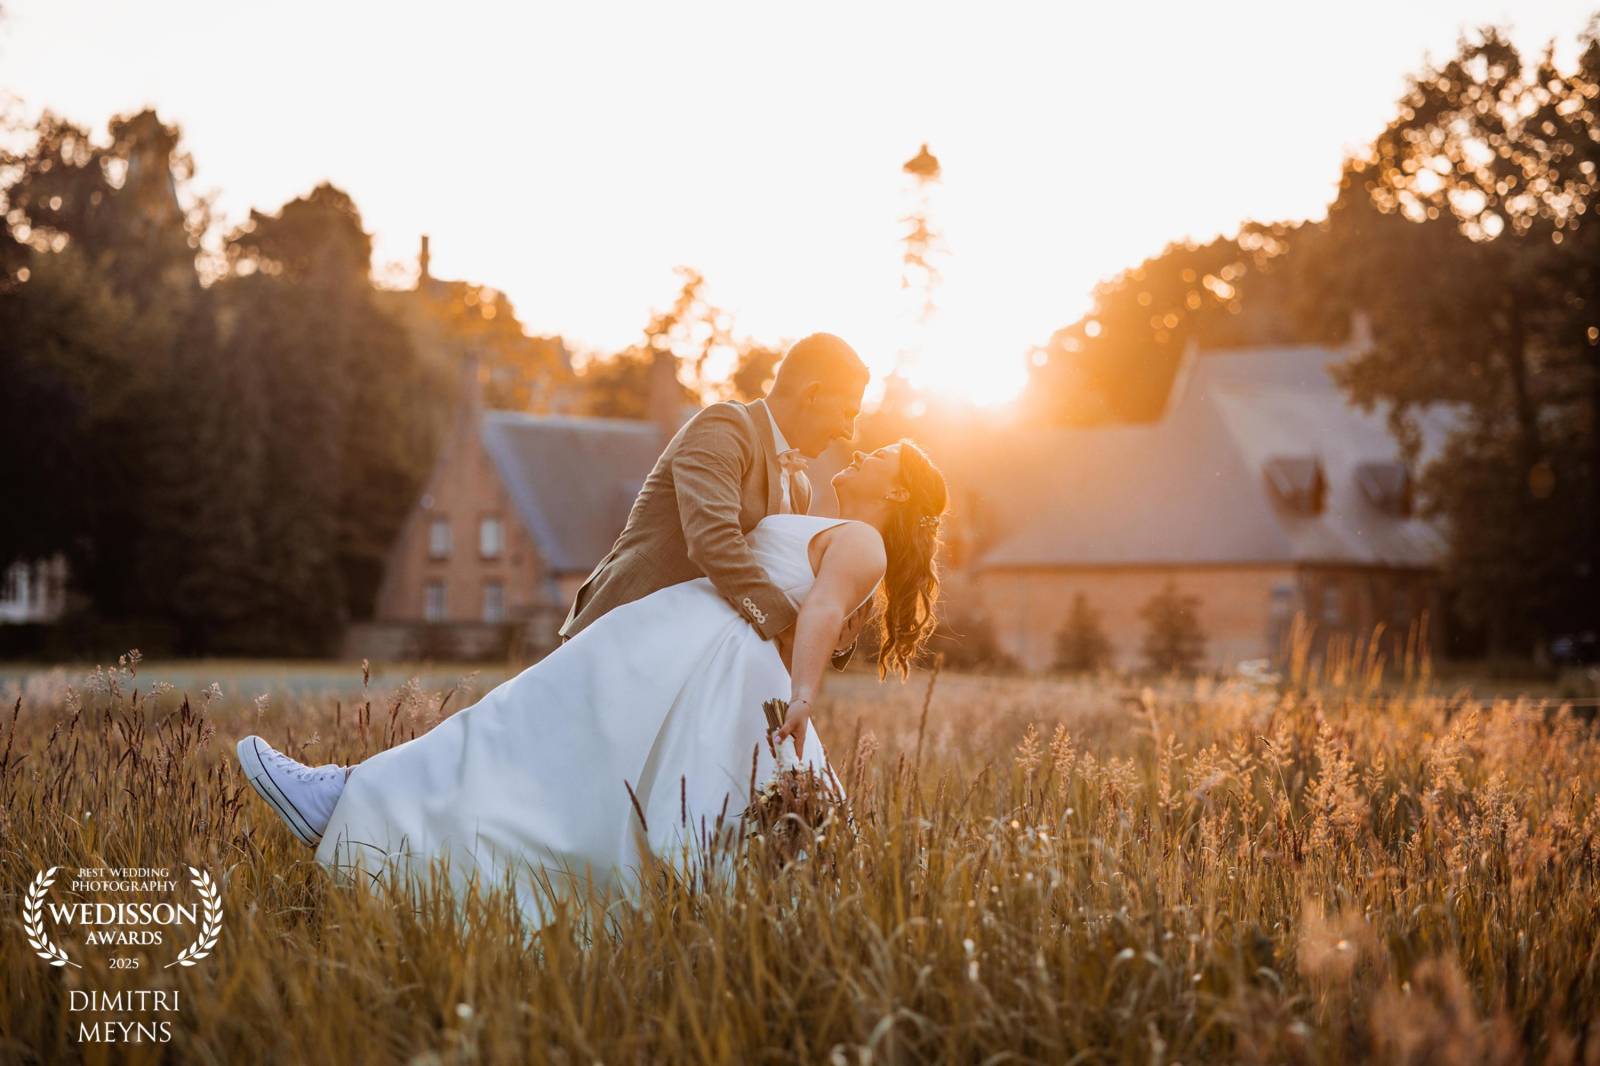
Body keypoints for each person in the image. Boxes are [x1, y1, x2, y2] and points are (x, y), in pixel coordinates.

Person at [235, 375, 948, 925]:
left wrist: (802, 696)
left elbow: (819, 611)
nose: (862, 448)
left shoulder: (863, 541)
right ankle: (369, 804)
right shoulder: (835, 524)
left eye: (882, 455)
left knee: (527, 725)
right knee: (597, 786)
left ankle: (356, 803)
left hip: (698, 658)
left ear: (900, 491)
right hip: (690, 651)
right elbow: (800, 602)